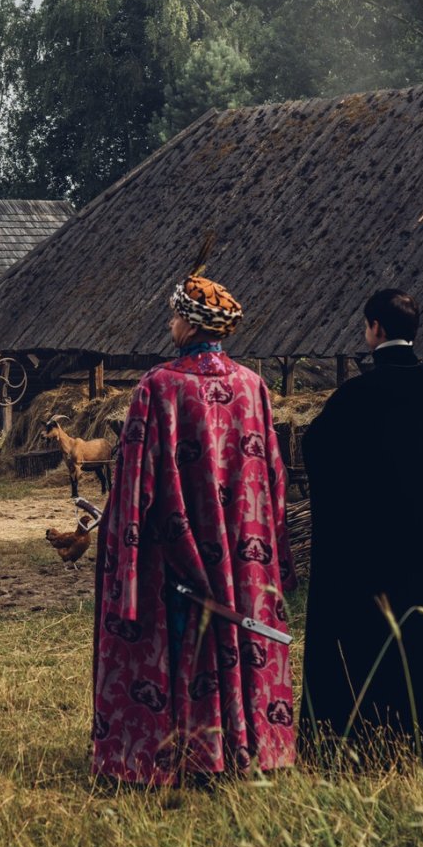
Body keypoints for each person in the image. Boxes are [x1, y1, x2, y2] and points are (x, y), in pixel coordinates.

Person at [91, 271, 296, 786]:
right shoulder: (253, 386)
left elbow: (135, 480)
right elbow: (273, 475)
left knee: (180, 641)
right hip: (241, 551)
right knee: (234, 633)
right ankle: (244, 746)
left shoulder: (157, 387)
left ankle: (177, 754)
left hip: (174, 551)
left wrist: (125, 556)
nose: (170, 323)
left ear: (191, 324)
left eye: (175, 315)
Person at [299, 289, 423, 768]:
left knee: (370, 630)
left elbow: (317, 448)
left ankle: (369, 728)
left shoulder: (357, 394)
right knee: (419, 627)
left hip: (369, 539)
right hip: (420, 538)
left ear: (376, 328)